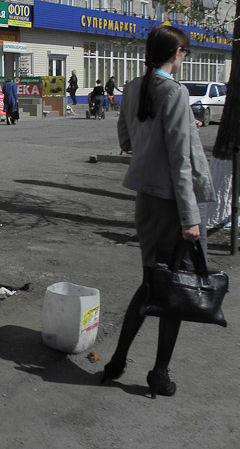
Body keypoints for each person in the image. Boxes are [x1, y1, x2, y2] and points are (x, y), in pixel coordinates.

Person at [101, 26, 213, 398]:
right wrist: (190, 217)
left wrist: (149, 147)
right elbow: (181, 161)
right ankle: (160, 373)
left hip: (146, 200)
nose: (185, 58)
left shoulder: (134, 87)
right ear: (177, 53)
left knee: (151, 282)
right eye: (185, 53)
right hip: (172, 203)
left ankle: (117, 361)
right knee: (175, 289)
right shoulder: (175, 92)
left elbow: (125, 136)